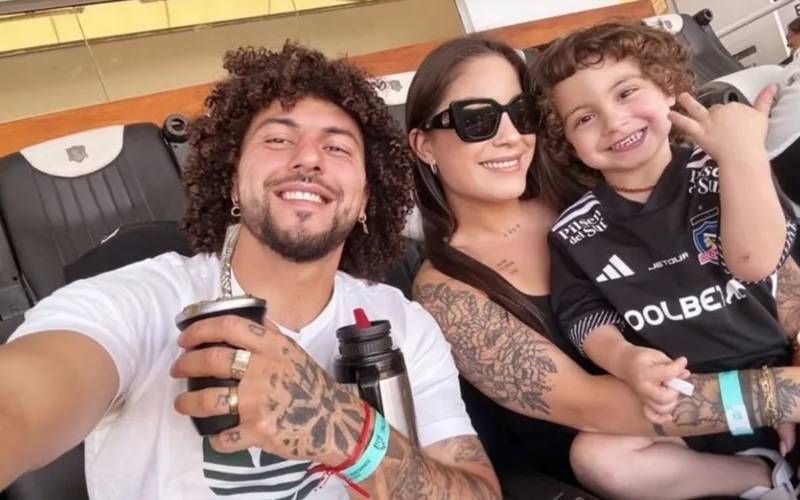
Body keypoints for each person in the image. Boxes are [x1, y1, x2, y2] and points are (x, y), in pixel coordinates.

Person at [0, 43, 501, 500]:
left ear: (366, 199)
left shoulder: (404, 323)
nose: (308, 158)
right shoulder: (136, 304)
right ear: (235, 184)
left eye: (337, 147)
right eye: (278, 139)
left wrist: (348, 432)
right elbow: (19, 403)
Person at [406, 33, 800, 496]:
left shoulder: (611, 189)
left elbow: (780, 284)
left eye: (521, 114)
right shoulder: (448, 289)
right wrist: (784, 397)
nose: (510, 136)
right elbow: (594, 408)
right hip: (644, 462)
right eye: (477, 120)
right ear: (425, 145)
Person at [535, 21, 799, 499]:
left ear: (669, 88)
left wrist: (741, 157)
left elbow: (757, 261)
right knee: (596, 458)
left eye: (627, 92)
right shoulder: (574, 230)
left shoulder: (723, 171)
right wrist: (627, 359)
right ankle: (764, 480)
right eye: (584, 118)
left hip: (783, 377)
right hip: (687, 407)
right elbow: (584, 317)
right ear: (566, 141)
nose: (613, 121)